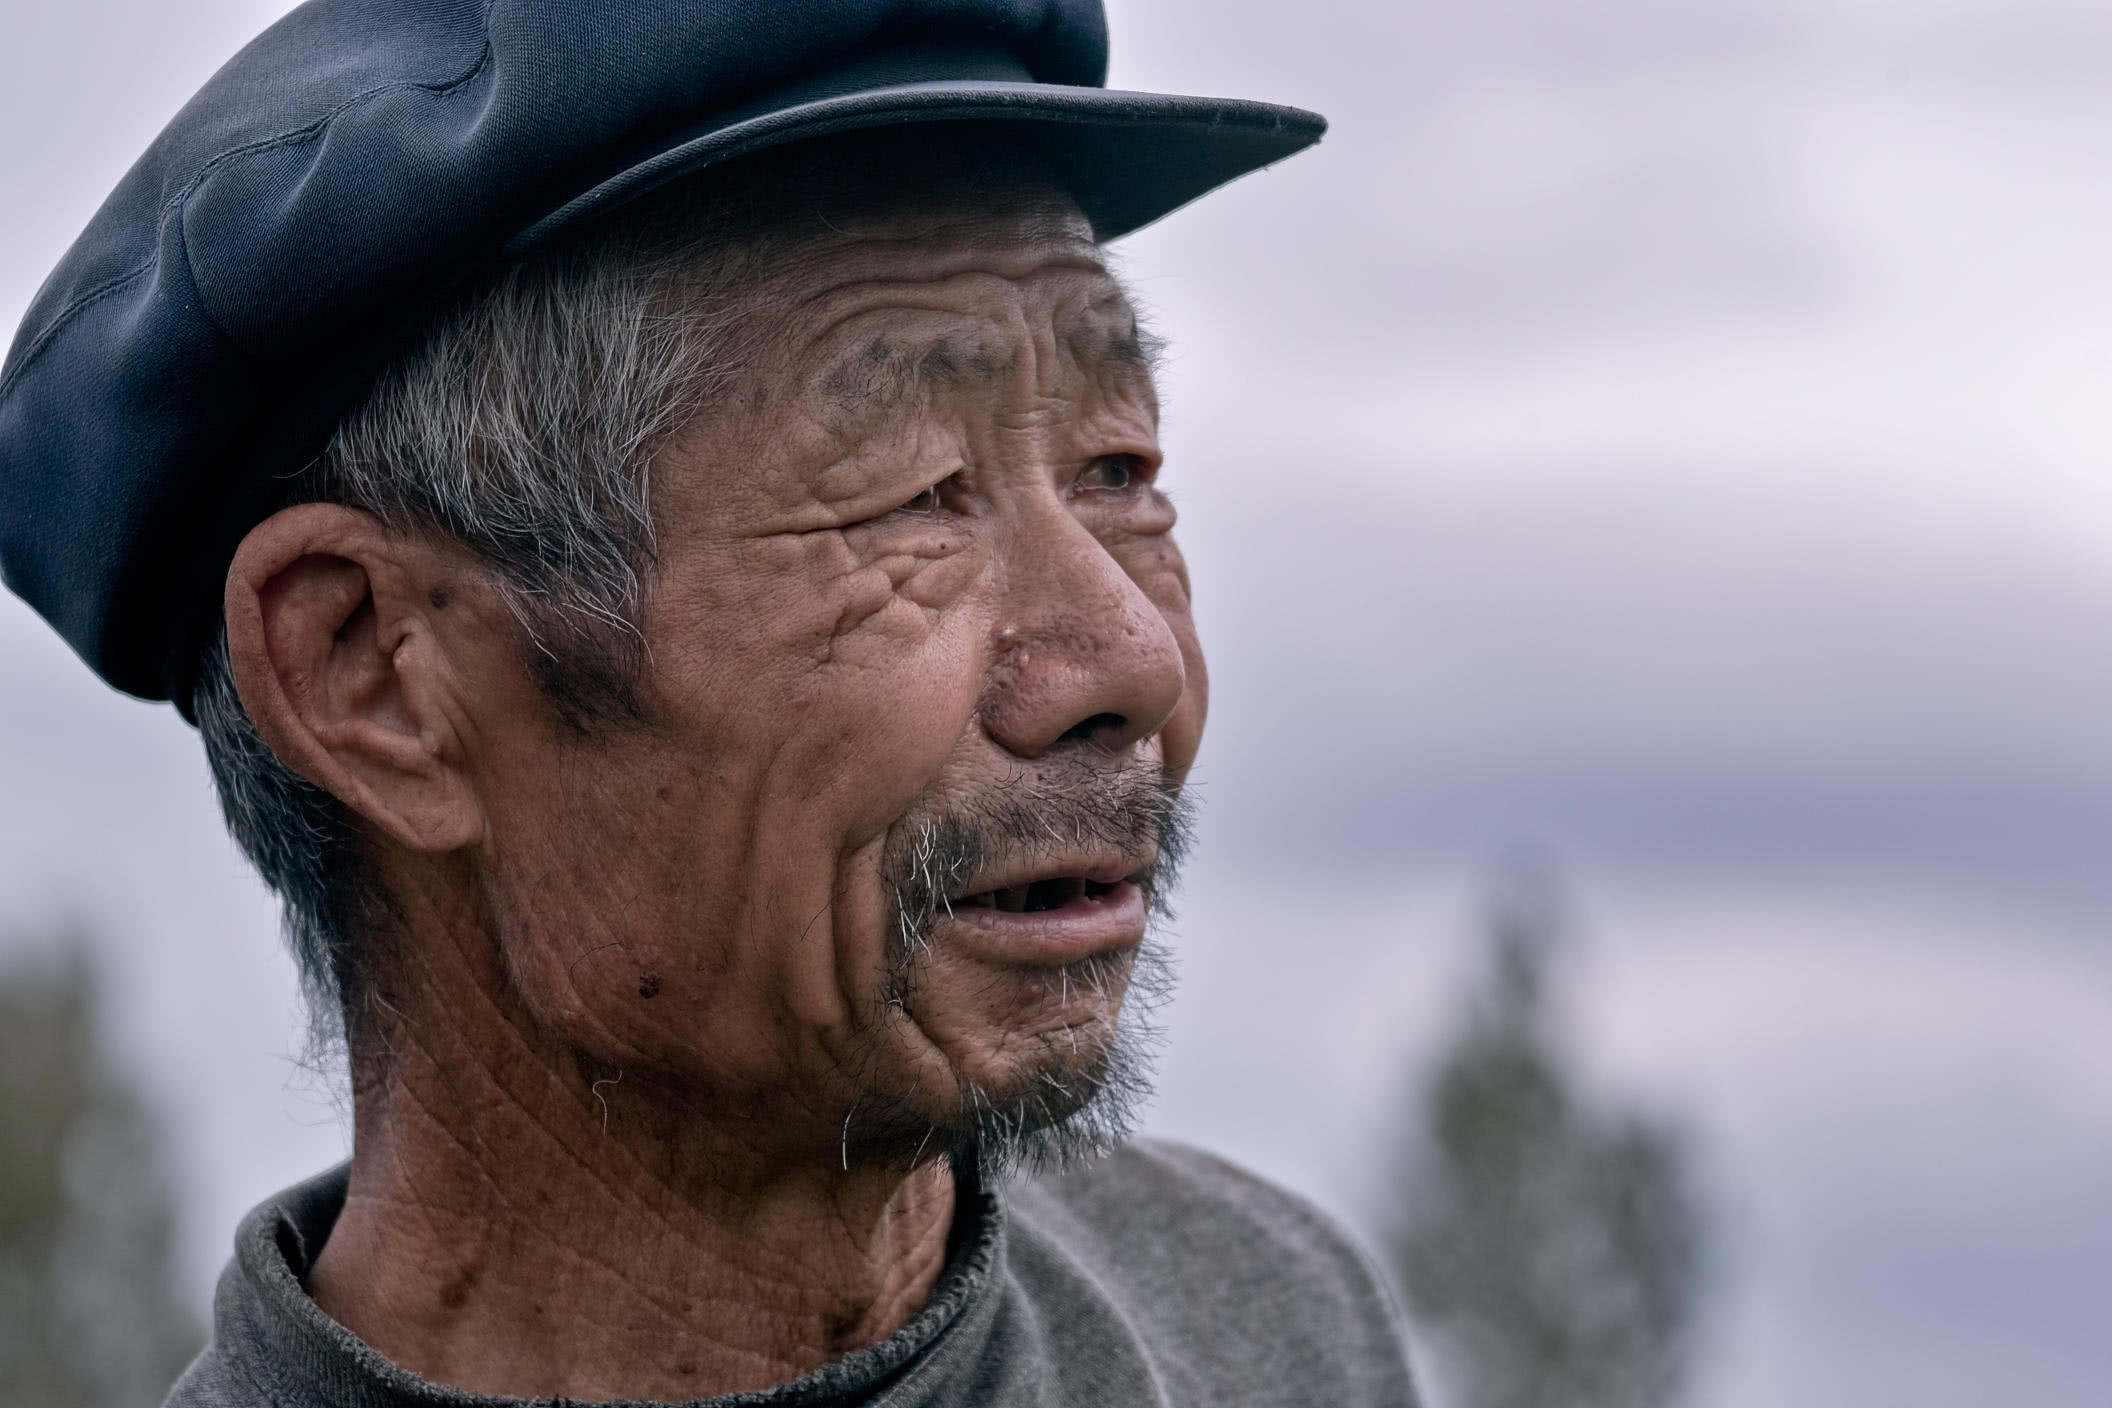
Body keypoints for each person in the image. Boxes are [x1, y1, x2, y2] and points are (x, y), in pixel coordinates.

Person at [0, 1, 1418, 1403]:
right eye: (914, 498)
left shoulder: (1272, 1326)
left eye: (1118, 467)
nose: (1134, 663)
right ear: (373, 672)